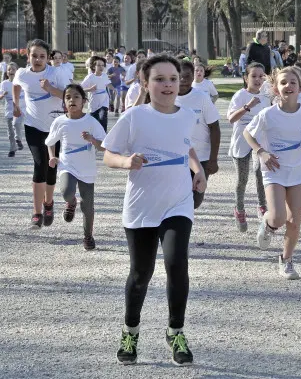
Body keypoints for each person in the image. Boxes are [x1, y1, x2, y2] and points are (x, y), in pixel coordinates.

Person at [103, 54, 206, 366]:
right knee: (140, 274)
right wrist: (126, 161)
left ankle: (176, 332)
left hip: (178, 202)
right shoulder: (134, 118)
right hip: (142, 205)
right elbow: (109, 154)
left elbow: (185, 145)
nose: (167, 84)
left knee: (177, 264)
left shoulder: (188, 115)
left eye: (173, 79)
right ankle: (130, 331)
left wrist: (197, 168)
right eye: (159, 79)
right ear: (145, 83)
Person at [244, 66, 301, 279]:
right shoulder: (268, 114)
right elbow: (248, 133)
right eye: (283, 82)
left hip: (298, 172)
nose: (288, 86)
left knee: (294, 220)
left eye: (293, 82)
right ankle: (268, 222)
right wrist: (261, 152)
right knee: (279, 217)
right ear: (275, 88)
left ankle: (286, 259)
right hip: (274, 170)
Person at [12, 39, 69, 229]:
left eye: (42, 56)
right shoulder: (22, 73)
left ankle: (49, 203)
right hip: (33, 126)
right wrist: (16, 104)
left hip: (56, 127)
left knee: (52, 167)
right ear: (28, 56)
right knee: (40, 163)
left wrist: (51, 89)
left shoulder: (56, 73)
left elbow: (69, 96)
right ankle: (36, 213)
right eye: (34, 55)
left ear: (48, 58)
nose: (38, 59)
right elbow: (16, 85)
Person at [46, 84, 107, 250]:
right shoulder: (60, 122)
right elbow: (50, 142)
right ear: (64, 103)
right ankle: (71, 202)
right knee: (66, 192)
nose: (71, 100)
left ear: (84, 101)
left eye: (76, 97)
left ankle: (88, 236)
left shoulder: (91, 122)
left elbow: (104, 146)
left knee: (87, 206)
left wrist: (92, 140)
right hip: (67, 165)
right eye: (68, 97)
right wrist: (52, 157)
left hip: (86, 168)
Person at [227, 62, 270, 232]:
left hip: (259, 141)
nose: (258, 79)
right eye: (254, 76)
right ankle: (239, 209)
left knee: (261, 173)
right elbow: (231, 119)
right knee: (242, 179)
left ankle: (262, 206)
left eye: (261, 76)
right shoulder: (240, 95)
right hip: (241, 140)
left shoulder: (267, 97)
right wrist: (247, 107)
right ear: (246, 78)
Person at [175, 60, 220, 209]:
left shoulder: (201, 97)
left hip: (201, 157)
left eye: (187, 76)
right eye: (178, 76)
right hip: (176, 158)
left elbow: (214, 128)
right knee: (178, 198)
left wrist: (213, 159)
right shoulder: (167, 97)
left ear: (192, 77)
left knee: (195, 201)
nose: (182, 80)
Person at [0, 62, 25, 157]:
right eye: (9, 69)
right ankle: (12, 149)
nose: (11, 71)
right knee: (10, 132)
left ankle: (18, 139)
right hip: (9, 110)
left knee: (16, 124)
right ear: (6, 72)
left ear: (17, 71)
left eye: (13, 69)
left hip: (20, 109)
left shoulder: (21, 82)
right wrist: (2, 94)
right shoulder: (4, 83)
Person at [81, 56, 111, 133]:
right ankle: (94, 137)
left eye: (102, 65)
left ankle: (103, 135)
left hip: (104, 101)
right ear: (94, 67)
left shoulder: (104, 75)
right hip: (93, 103)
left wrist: (114, 89)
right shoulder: (90, 77)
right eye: (98, 65)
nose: (101, 67)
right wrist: (90, 89)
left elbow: (108, 84)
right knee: (94, 121)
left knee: (102, 116)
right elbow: (80, 89)